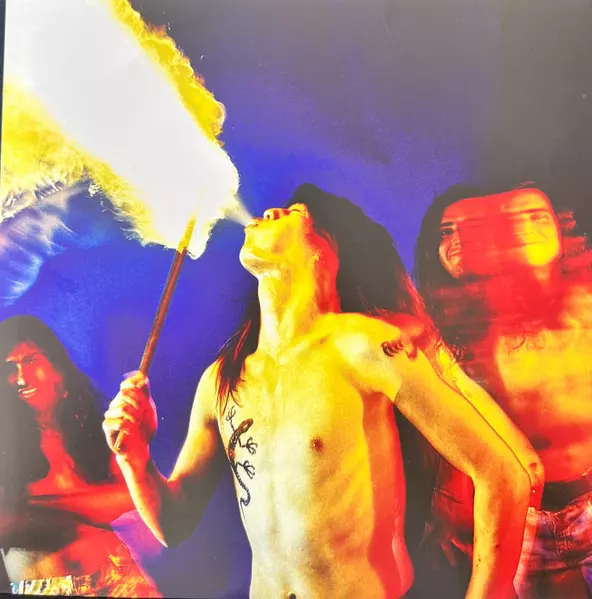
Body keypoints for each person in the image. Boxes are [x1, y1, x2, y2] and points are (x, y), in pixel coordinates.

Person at [104, 183, 533, 599]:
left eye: (295, 213)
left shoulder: (364, 347)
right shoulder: (221, 380)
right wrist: (135, 458)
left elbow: (503, 474)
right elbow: (173, 525)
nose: (270, 212)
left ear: (323, 253)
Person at [415, 184, 592, 598]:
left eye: (536, 216)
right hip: (524, 519)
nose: (459, 240)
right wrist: (447, 505)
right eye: (446, 231)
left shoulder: (578, 301)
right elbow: (455, 427)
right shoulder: (438, 329)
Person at [0, 315, 160, 597]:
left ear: (57, 368)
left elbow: (134, 498)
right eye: (10, 368)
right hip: (42, 589)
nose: (21, 378)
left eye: (31, 361)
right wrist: (90, 507)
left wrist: (39, 505)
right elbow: (8, 522)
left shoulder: (91, 427)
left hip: (118, 578)